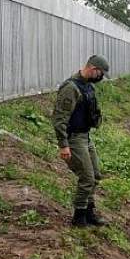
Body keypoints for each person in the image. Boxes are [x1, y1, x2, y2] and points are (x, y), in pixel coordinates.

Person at [52, 55, 110, 227]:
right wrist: (64, 145)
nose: (100, 77)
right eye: (100, 73)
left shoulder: (87, 86)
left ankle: (89, 212)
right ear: (92, 69)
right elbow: (59, 119)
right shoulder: (70, 88)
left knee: (96, 175)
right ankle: (79, 217)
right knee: (86, 178)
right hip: (74, 139)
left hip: (85, 137)